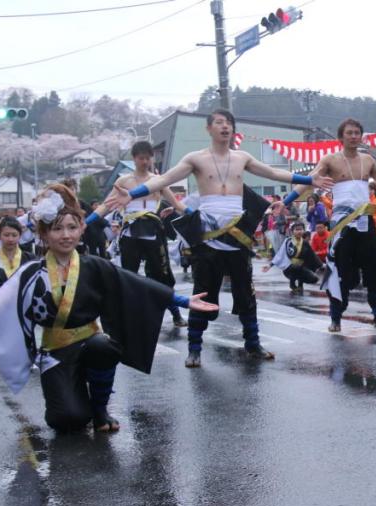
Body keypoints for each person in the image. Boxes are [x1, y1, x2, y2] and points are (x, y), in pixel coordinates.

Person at [0, 184, 218, 433]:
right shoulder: (30, 271)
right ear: (44, 234)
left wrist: (183, 301)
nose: (66, 235)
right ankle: (80, 401)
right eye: (57, 229)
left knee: (104, 347)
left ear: (81, 230)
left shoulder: (94, 266)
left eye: (72, 227)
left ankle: (100, 408)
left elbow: (136, 284)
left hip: (89, 340)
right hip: (54, 350)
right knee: (67, 421)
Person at [105, 108, 332, 366]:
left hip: (238, 237)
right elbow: (165, 179)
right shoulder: (196, 159)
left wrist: (308, 179)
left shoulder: (242, 157)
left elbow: (273, 173)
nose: (225, 127)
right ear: (209, 128)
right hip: (208, 236)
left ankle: (253, 344)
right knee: (202, 291)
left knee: (245, 291)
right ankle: (194, 349)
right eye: (220, 123)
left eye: (229, 123)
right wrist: (132, 195)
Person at [307, 118, 376, 333]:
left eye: (357, 133)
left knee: (373, 269)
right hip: (342, 224)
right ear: (341, 137)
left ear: (361, 136)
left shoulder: (368, 160)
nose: (353, 136)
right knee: (339, 270)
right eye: (349, 133)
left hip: (365, 222)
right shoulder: (330, 159)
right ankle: (335, 318)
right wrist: (290, 197)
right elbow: (312, 177)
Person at [105, 140, 188, 328]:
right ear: (134, 158)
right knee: (128, 275)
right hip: (130, 232)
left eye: (147, 158)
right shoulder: (123, 181)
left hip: (153, 229)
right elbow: (107, 204)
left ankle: (175, 312)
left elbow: (175, 203)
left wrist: (191, 213)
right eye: (141, 158)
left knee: (162, 274)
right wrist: (86, 221)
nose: (144, 161)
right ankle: (127, 316)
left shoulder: (158, 180)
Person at [263, 221, 322, 293]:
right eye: (297, 229)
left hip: (302, 266)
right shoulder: (288, 241)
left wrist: (321, 265)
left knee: (314, 279)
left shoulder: (305, 243)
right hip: (290, 267)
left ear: (303, 230)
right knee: (295, 267)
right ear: (292, 231)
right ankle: (292, 284)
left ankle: (301, 284)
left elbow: (312, 255)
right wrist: (270, 265)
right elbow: (280, 254)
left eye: (301, 229)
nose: (299, 231)